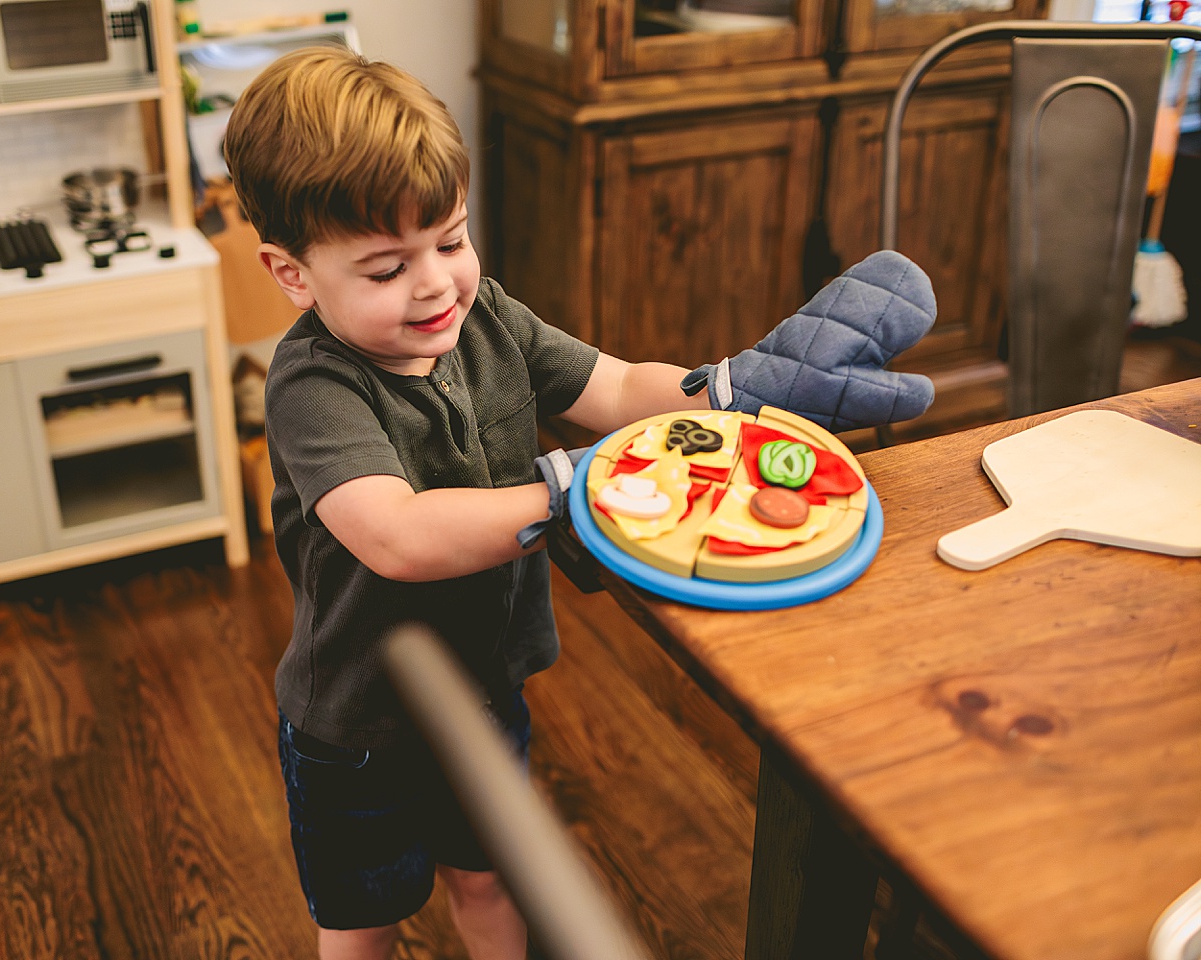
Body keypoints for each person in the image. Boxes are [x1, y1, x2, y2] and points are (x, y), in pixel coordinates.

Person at [224, 45, 935, 960]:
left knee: (492, 881)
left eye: (450, 240)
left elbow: (613, 389)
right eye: (386, 267)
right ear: (292, 274)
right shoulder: (314, 387)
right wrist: (576, 486)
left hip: (486, 688)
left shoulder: (487, 318)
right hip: (359, 726)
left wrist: (724, 387)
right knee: (364, 925)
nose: (437, 282)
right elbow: (397, 537)